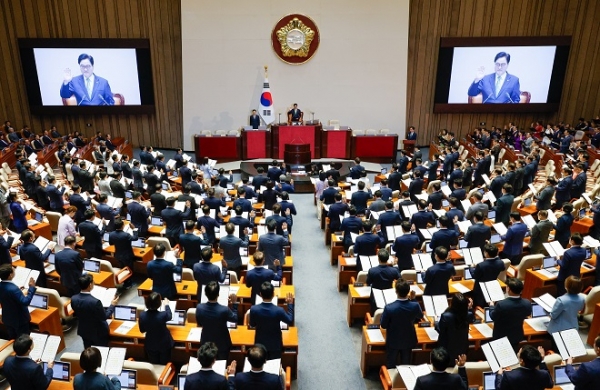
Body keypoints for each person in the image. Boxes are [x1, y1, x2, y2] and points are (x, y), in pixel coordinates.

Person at [380, 279, 423, 367]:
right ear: (408, 291)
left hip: (393, 340)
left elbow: (383, 325)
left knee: (391, 364)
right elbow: (420, 316)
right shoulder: (414, 305)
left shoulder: (389, 308)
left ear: (396, 291)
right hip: (408, 340)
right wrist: (413, 299)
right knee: (406, 365)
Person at [71, 274, 119, 348]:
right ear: (90, 285)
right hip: (98, 332)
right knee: (101, 351)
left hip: (84, 330)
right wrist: (112, 305)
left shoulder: (74, 299)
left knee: (88, 351)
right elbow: (104, 316)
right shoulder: (95, 302)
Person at [249, 282, 294, 359]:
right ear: (273, 294)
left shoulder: (254, 309)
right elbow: (290, 320)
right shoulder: (279, 310)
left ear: (260, 294)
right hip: (275, 344)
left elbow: (252, 324)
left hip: (260, 345)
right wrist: (290, 304)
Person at [195, 281, 239, 360]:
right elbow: (235, 319)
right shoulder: (224, 310)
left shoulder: (199, 308)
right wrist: (234, 303)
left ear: (205, 294)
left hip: (206, 342)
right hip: (222, 344)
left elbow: (199, 323)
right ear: (218, 294)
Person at [490, 278, 532, 351]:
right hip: (516, 335)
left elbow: (493, 316)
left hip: (501, 336)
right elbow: (528, 313)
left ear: (508, 289)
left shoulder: (501, 304)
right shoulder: (527, 303)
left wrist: (491, 306)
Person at [0, 264, 37, 338]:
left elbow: (7, 296)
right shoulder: (13, 289)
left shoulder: (2, 285)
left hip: (7, 318)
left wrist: (18, 291)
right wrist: (31, 289)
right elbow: (25, 302)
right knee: (23, 341)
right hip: (20, 320)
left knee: (13, 338)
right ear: (10, 275)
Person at [435, 294, 472, 368]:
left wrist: (436, 322)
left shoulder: (446, 316)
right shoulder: (468, 314)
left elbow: (440, 329)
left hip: (446, 349)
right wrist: (469, 308)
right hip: (462, 348)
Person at [139, 292, 174, 364]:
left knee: (154, 363)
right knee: (164, 363)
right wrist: (167, 305)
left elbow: (142, 330)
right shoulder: (163, 315)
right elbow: (169, 316)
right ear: (159, 304)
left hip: (150, 344)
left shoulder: (142, 315)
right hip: (164, 344)